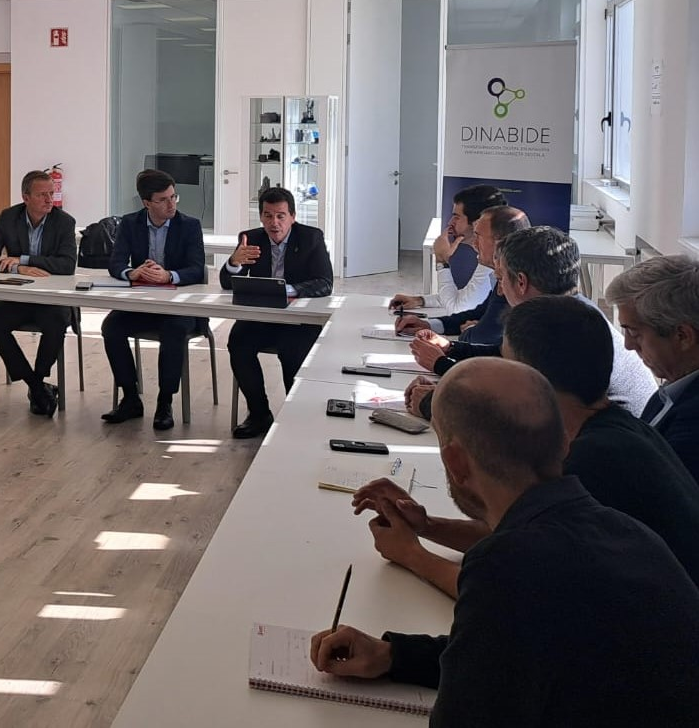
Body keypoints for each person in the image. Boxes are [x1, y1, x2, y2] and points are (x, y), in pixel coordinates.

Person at [317, 359, 699, 727]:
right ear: (564, 442)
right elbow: (505, 657)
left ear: (456, 463)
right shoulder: (627, 531)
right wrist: (393, 655)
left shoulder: (505, 565)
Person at [354, 297, 699, 597]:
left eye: (506, 363)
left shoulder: (590, 463)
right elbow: (520, 535)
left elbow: (513, 592)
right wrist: (426, 526)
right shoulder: (614, 429)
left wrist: (413, 555)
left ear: (529, 378)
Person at [404, 225, 656, 419]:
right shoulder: (568, 311)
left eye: (501, 279)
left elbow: (519, 411)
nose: (500, 291)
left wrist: (436, 396)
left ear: (521, 282)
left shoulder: (569, 329)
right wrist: (450, 349)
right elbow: (507, 359)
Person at [220, 186, 333, 438]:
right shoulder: (250, 238)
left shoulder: (311, 237)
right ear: (261, 217)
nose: (274, 222)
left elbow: (325, 283)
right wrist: (234, 263)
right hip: (262, 318)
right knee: (238, 343)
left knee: (291, 352)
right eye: (268, 215)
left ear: (292, 216)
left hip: (298, 321)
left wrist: (287, 290)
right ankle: (259, 414)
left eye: (281, 215)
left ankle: (295, 418)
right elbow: (226, 282)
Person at [100, 170, 206, 430]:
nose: (171, 204)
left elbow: (197, 268)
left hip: (180, 307)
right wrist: (131, 272)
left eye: (174, 197)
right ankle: (131, 397)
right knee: (111, 327)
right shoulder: (130, 223)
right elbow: (115, 263)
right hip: (142, 304)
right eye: (163, 199)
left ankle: (165, 401)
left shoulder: (189, 225)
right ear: (146, 203)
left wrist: (169, 275)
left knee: (174, 329)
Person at [0, 170, 78, 417]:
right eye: (42, 195)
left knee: (56, 323)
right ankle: (37, 386)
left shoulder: (64, 222)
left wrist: (24, 259)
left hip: (52, 298)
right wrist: (19, 268)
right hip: (19, 295)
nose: (49, 200)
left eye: (51, 194)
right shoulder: (9, 218)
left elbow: (66, 265)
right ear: (25, 197)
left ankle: (38, 380)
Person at [606, 255, 699, 480]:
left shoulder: (692, 427)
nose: (627, 345)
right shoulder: (674, 387)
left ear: (683, 336)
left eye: (635, 333)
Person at [394, 205, 529, 343]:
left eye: (478, 237)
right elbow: (480, 312)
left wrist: (441, 261)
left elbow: (482, 335)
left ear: (499, 242)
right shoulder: (504, 271)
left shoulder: (514, 278)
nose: (474, 244)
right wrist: (429, 324)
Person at [389, 184, 506, 313]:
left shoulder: (493, 258)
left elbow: (457, 309)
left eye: (456, 217)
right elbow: (465, 299)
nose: (450, 223)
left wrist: (441, 261)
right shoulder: (491, 252)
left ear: (477, 222)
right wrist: (421, 300)